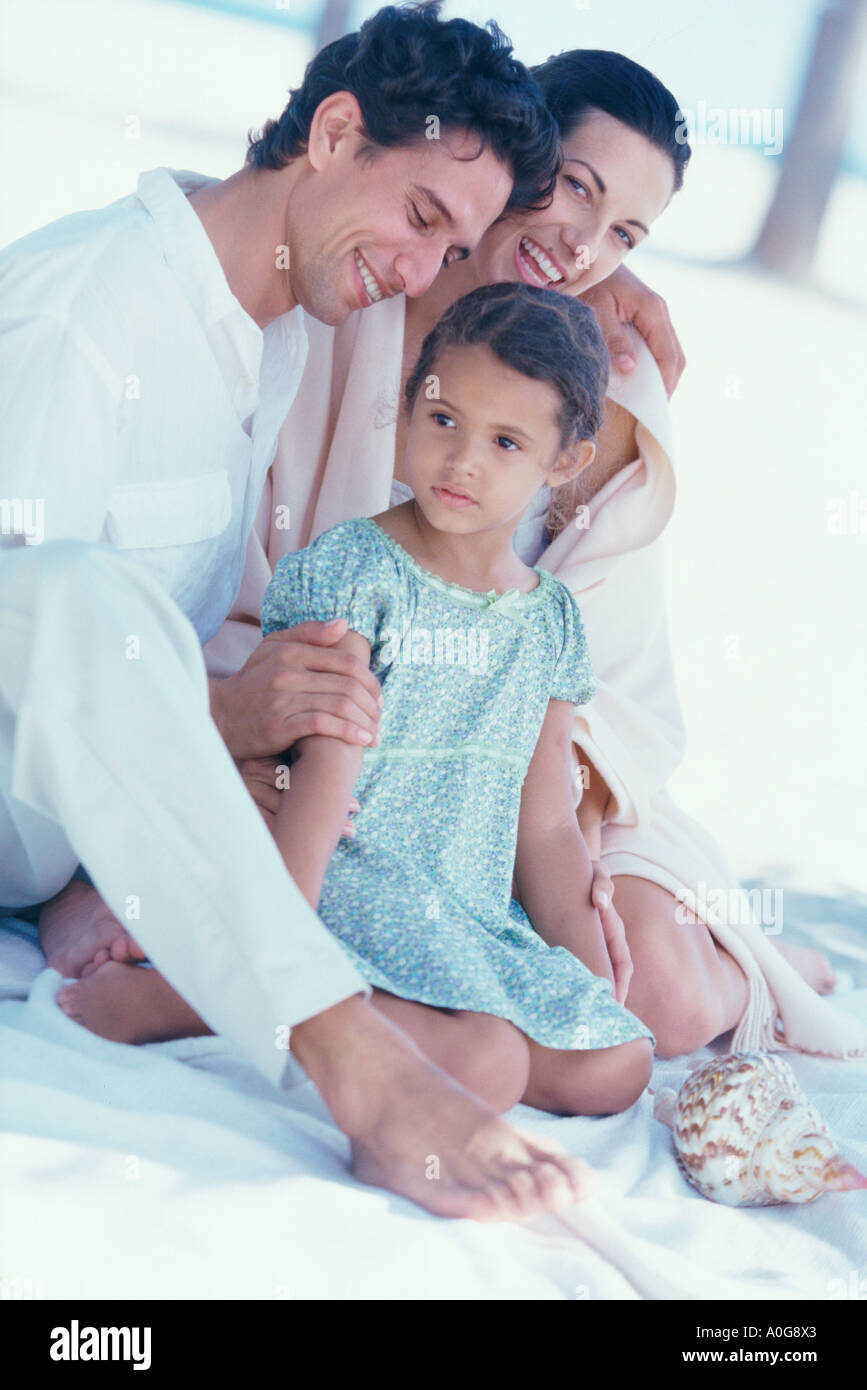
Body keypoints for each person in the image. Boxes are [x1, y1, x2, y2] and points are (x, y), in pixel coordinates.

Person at [0, 3, 598, 1222]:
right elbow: (29, 634)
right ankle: (357, 1062)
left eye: (454, 248)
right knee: (66, 588)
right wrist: (220, 715)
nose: (423, 271)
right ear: (334, 132)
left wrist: (619, 294)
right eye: (424, 217)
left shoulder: (262, 332)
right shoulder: (86, 307)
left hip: (59, 828)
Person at [205, 47, 864, 1058]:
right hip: (353, 746)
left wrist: (550, 815)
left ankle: (774, 964)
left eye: (626, 233)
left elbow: (617, 688)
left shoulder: (607, 395)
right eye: (575, 188)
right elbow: (249, 588)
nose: (587, 246)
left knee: (661, 1002)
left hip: (539, 776)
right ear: (514, 149)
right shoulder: (364, 280)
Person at [58, 282, 657, 1119]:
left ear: (563, 464)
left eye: (506, 441)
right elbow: (321, 773)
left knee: (618, 1064)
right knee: (485, 1062)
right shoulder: (357, 571)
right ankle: (207, 999)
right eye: (443, 419)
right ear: (408, 402)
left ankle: (368, 1027)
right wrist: (275, 952)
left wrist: (589, 989)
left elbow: (548, 823)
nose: (462, 461)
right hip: (346, 892)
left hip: (461, 913)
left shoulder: (548, 620)